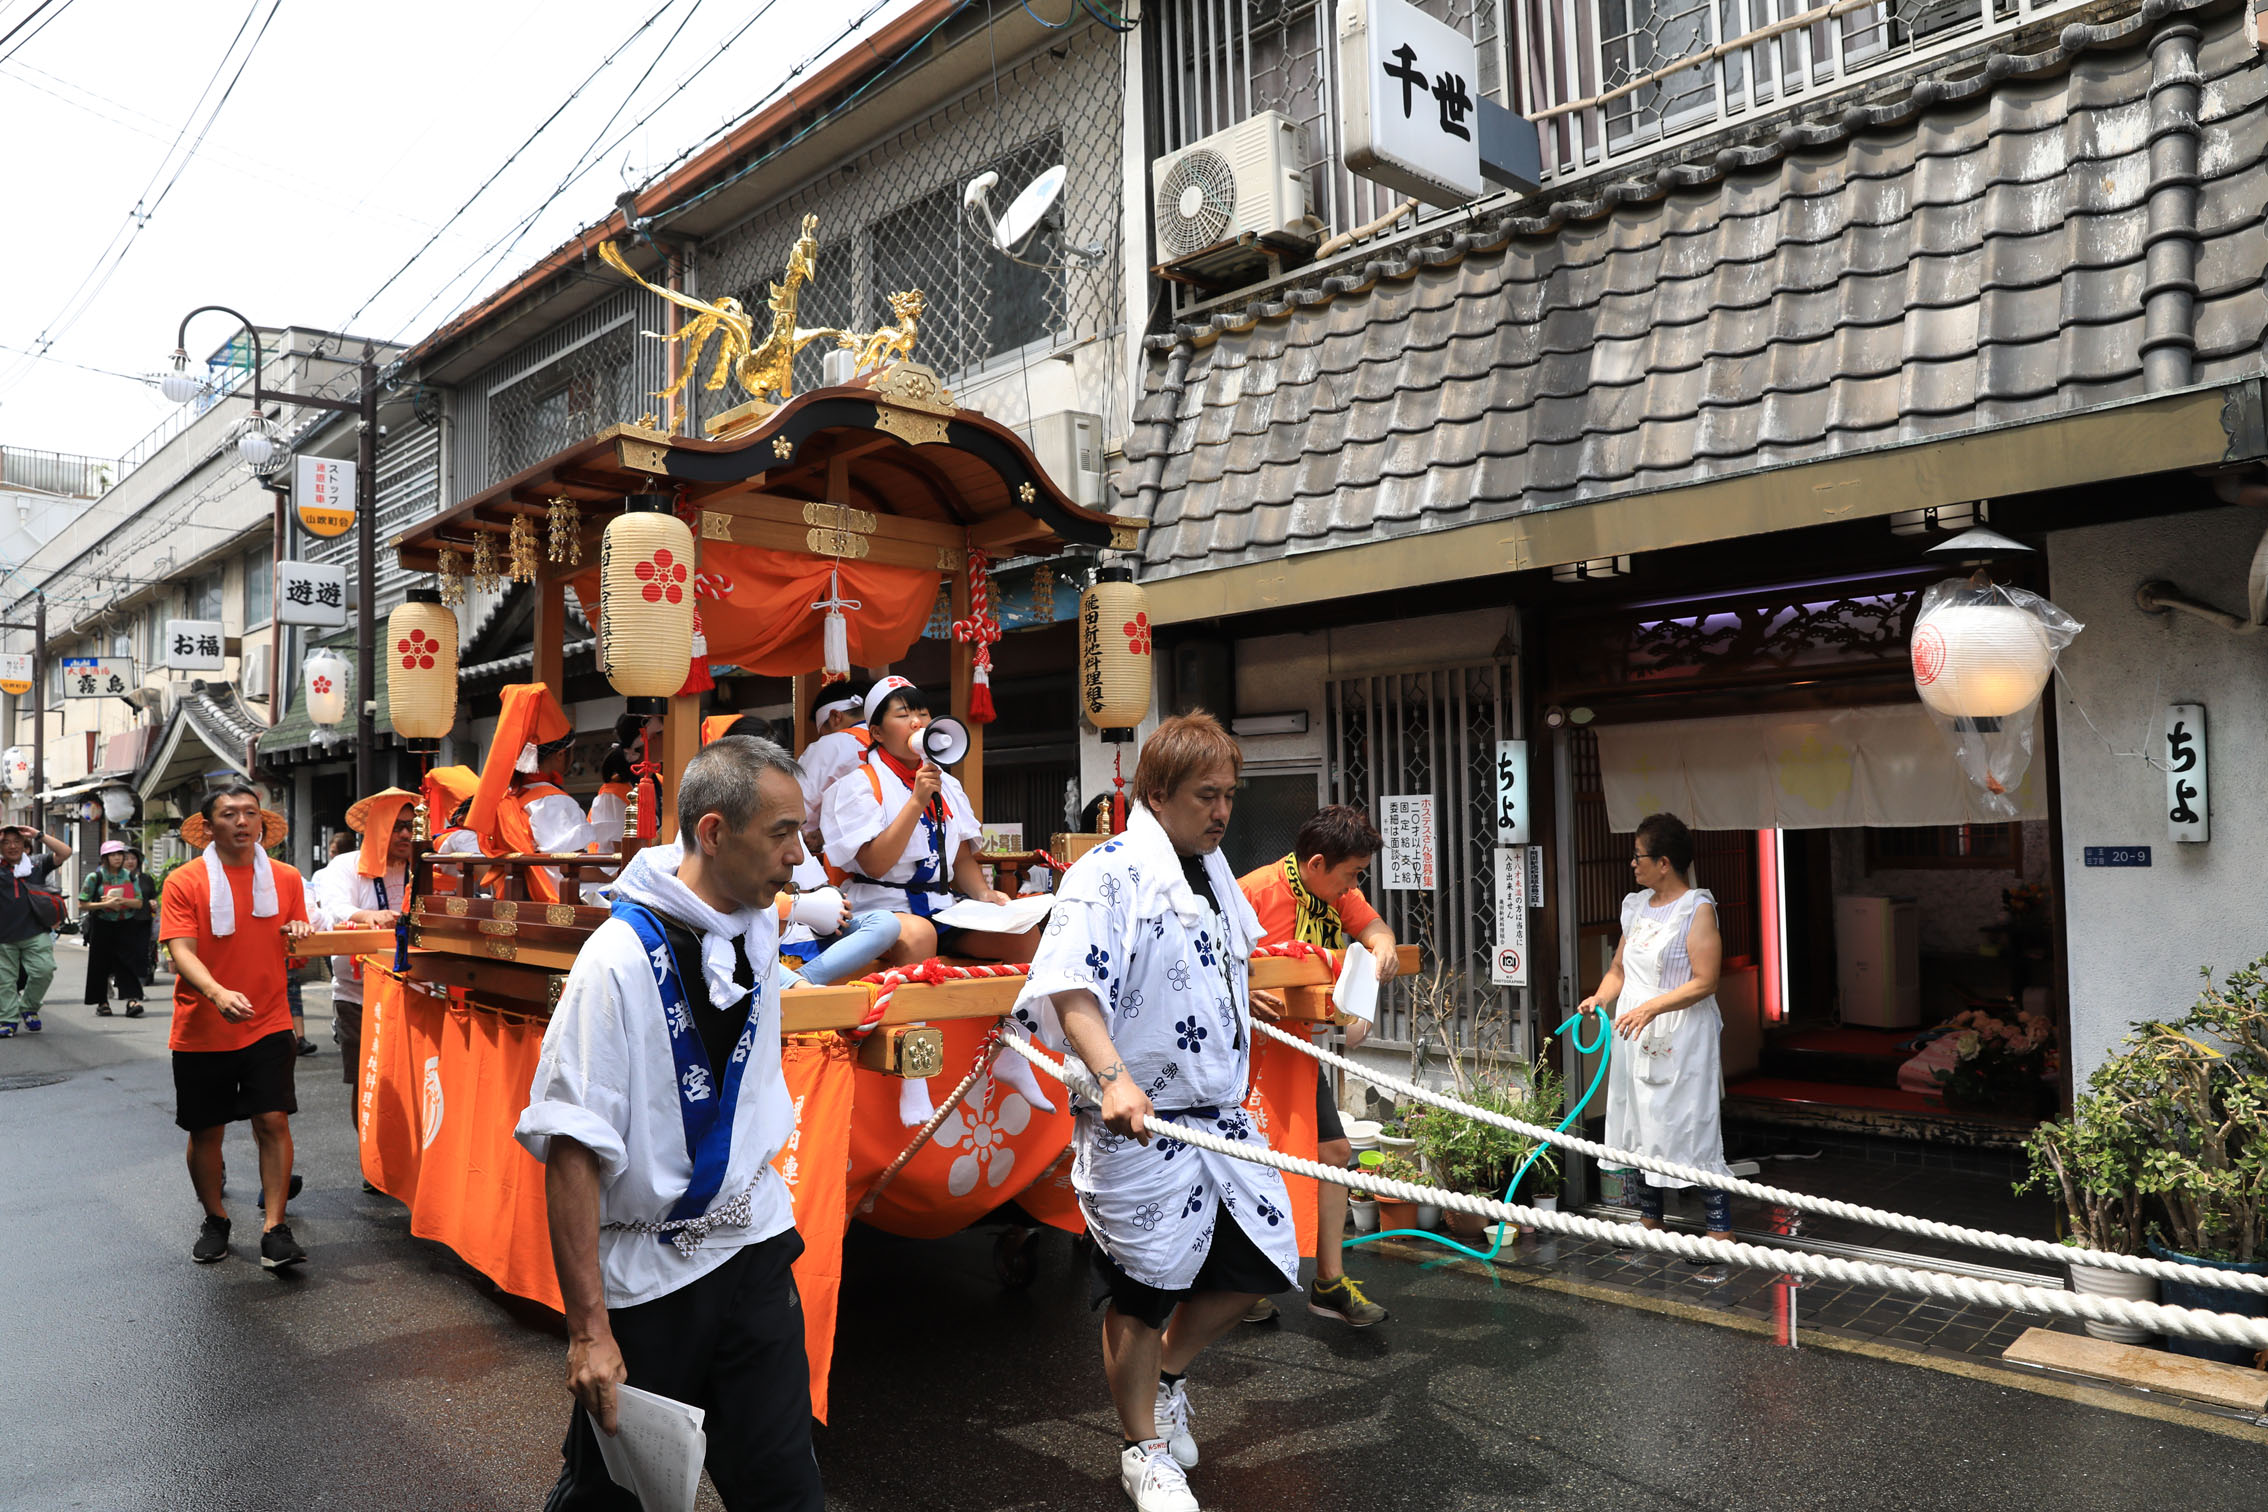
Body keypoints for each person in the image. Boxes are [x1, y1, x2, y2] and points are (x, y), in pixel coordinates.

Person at [516, 735, 823, 1511]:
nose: (800, 855)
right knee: (616, 1497)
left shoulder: (755, 922)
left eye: (803, 832)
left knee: (786, 1491)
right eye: (783, 833)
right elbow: (573, 1148)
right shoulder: (614, 962)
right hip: (649, 1277)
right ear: (714, 833)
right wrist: (589, 1330)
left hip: (751, 1246)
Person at [1013, 713, 1297, 1512]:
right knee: (1141, 1290)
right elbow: (1071, 984)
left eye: (1230, 797)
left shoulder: (1208, 867)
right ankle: (1143, 1450)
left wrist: (1243, 993)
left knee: (1262, 1264)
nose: (1222, 812)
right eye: (1207, 796)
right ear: (1157, 792)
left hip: (1219, 1115)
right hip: (1140, 1118)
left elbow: (1209, 955)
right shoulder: (1106, 872)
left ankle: (1169, 1377)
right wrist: (1112, 1076)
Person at [1236, 804, 1400, 1328]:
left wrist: (1384, 944)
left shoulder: (1337, 892)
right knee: (1241, 1161)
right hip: (1244, 1053)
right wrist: (1240, 986)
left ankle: (1328, 1282)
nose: (1355, 887)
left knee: (1332, 1151)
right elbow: (1197, 955)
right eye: (1351, 874)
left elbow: (1372, 927)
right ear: (1317, 863)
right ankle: (1239, 1280)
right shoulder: (1254, 890)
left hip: (1300, 1051)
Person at [1578, 811, 1738, 1276]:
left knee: (1691, 1124)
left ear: (1664, 862)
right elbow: (1619, 970)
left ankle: (1719, 1229)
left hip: (1682, 1036)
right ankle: (1650, 1221)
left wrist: (1652, 1007)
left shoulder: (1697, 909)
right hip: (1634, 1031)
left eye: (1639, 856)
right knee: (1639, 1122)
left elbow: (1707, 981)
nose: (1633, 864)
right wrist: (1600, 997)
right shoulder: (1635, 906)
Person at [163, 785, 314, 1269]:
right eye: (230, 814)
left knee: (272, 1119)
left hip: (268, 1017)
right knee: (206, 1131)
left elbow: (296, 935)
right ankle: (216, 1218)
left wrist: (300, 932)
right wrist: (217, 992)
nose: (243, 821)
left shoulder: (287, 878)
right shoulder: (185, 881)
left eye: (251, 813)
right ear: (208, 827)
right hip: (203, 1024)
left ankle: (275, 1227)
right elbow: (180, 949)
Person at [821, 676, 1035, 966]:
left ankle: (1006, 1013)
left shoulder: (946, 784)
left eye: (922, 713)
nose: (917, 722)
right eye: (903, 714)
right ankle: (914, 1014)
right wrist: (916, 802)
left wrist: (984, 893)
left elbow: (959, 859)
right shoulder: (858, 786)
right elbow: (875, 864)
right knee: (920, 934)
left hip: (942, 907)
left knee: (1022, 935)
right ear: (877, 732)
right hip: (881, 908)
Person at [308, 787, 417, 1108]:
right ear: (376, 829)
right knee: (368, 1085)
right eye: (396, 826)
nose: (406, 834)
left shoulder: (423, 863)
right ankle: (371, 1157)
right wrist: (369, 915)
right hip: (359, 995)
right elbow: (335, 907)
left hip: (417, 990)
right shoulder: (346, 865)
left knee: (413, 1084)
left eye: (412, 826)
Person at [468, 683, 595, 903]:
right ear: (561, 754)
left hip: (516, 899)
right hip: (552, 901)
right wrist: (615, 873)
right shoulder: (555, 801)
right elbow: (576, 868)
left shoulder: (511, 798)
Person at [0, 823, 70, 1038]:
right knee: (5, 981)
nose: (12, 846)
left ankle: (29, 1006)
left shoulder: (35, 864)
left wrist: (38, 835)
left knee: (44, 970)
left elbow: (65, 852)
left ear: (24, 844)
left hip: (35, 932)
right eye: (6, 842)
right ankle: (8, 1019)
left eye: (17, 841)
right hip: (3, 937)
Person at [80, 839, 154, 1018]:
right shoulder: (94, 877)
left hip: (125, 923)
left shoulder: (129, 876)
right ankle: (102, 1002)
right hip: (102, 924)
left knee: (128, 961)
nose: (117, 858)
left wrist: (121, 902)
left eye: (119, 854)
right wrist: (103, 904)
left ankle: (132, 999)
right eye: (113, 855)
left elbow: (138, 903)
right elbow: (82, 904)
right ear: (105, 858)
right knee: (100, 963)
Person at [795, 680, 871, 837]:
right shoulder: (892, 739)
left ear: (836, 716)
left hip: (850, 852)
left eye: (823, 733)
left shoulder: (828, 745)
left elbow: (802, 806)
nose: (824, 738)